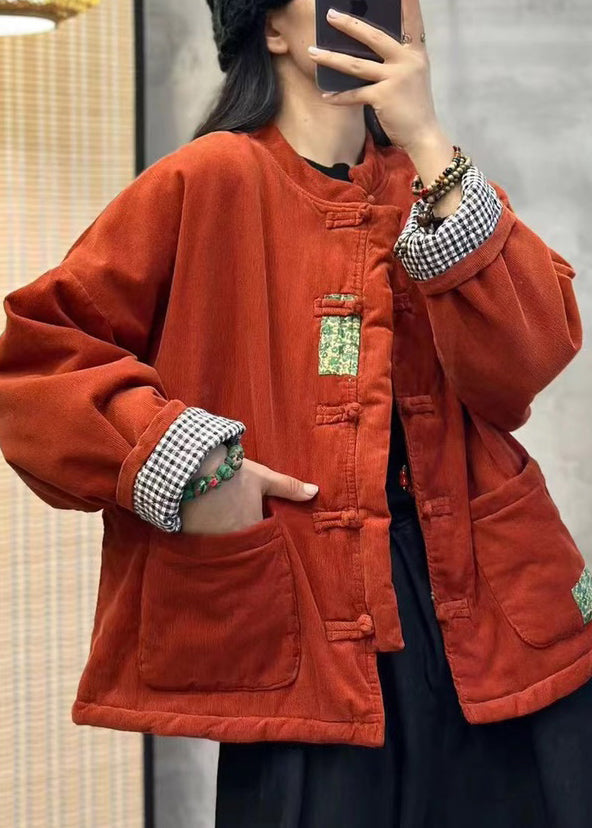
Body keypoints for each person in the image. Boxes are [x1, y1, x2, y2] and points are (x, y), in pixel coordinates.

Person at [0, 1, 590, 826]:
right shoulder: (209, 179)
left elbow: (522, 367)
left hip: (495, 619)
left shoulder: (435, 185)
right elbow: (38, 363)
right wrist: (193, 464)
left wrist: (427, 140)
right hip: (306, 618)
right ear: (272, 29)